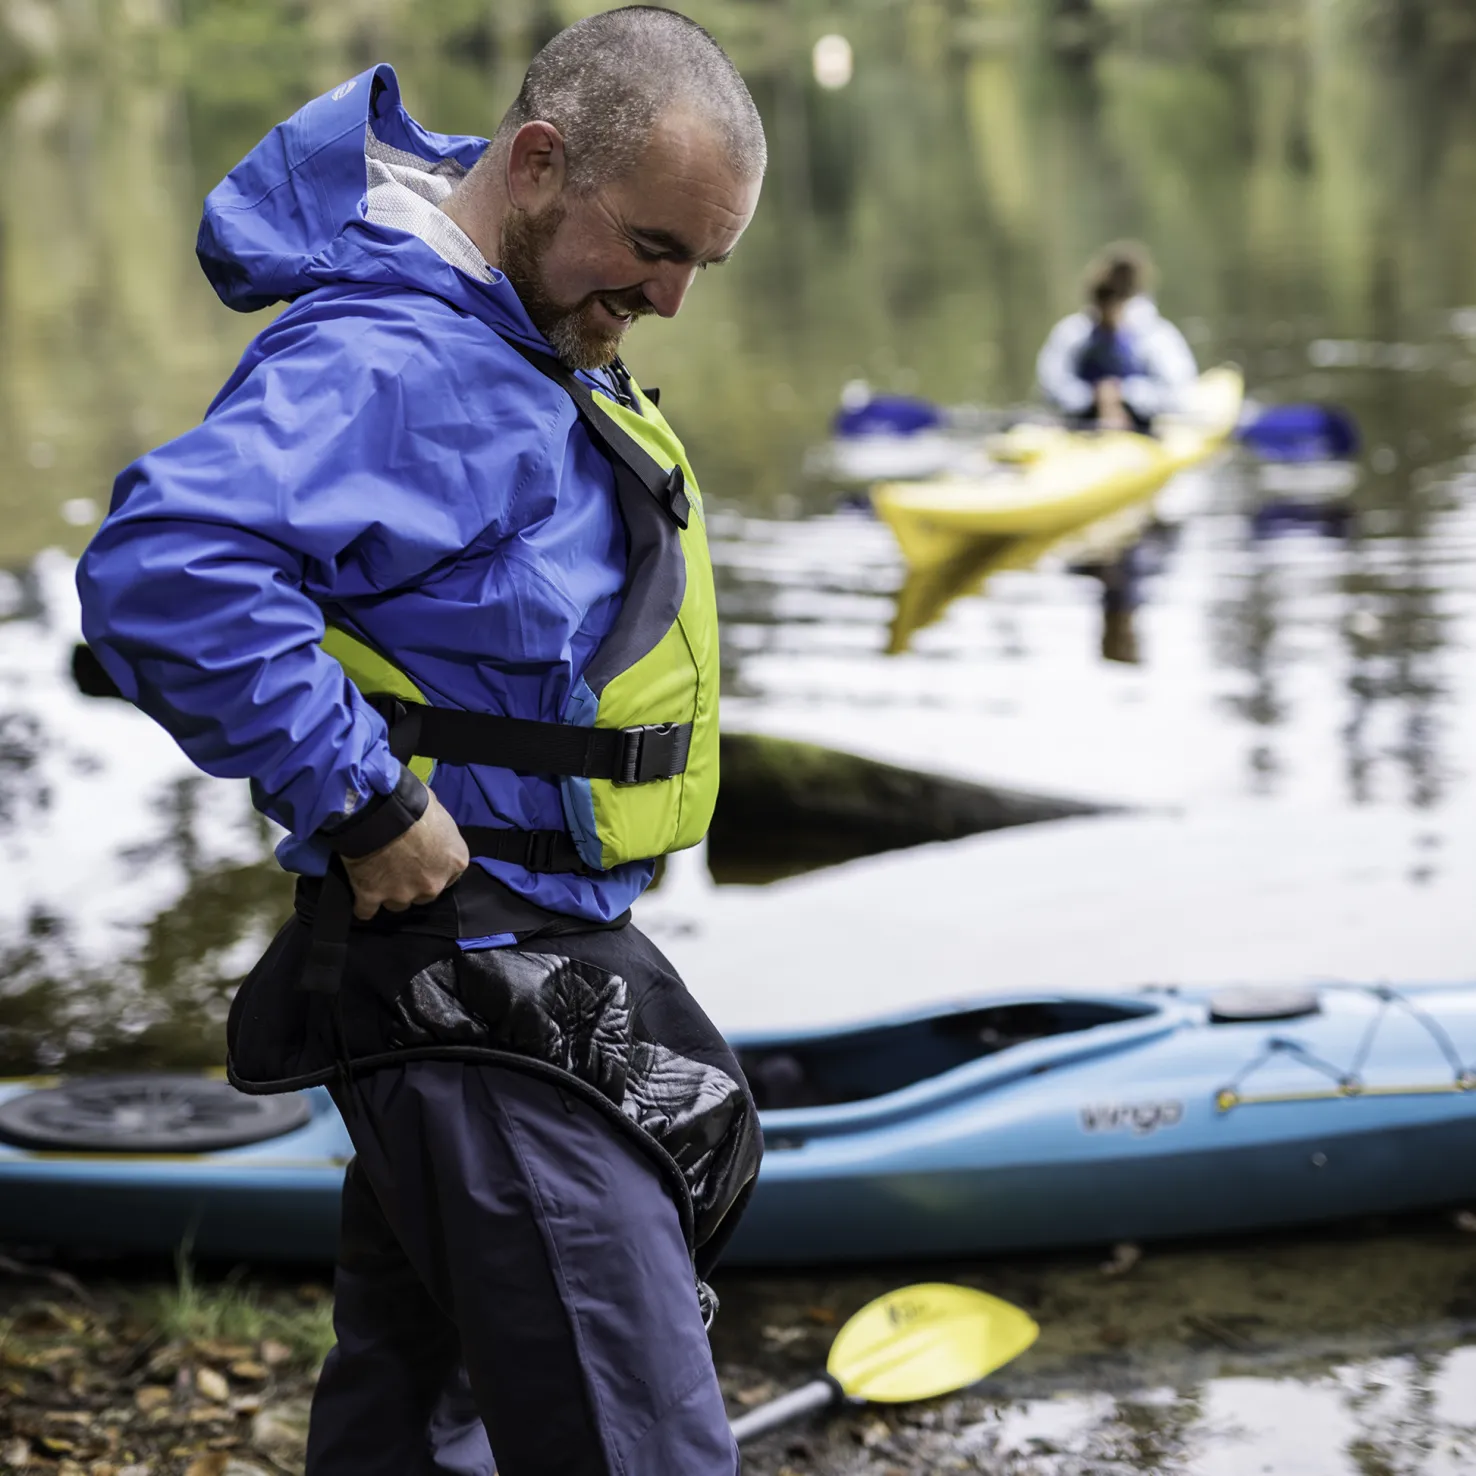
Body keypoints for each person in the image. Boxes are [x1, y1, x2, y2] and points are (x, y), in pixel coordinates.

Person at [76, 10, 767, 1474]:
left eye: (701, 262)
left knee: (414, 1414)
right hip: (474, 980)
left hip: (494, 970)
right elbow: (163, 570)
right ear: (532, 165)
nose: (670, 295)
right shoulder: (401, 361)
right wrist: (363, 796)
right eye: (653, 246)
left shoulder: (503, 297)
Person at [1036, 242, 1198, 431]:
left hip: (1142, 424)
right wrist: (1096, 396)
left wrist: (1122, 393)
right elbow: (1050, 385)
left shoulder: (1155, 336)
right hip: (1082, 421)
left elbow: (1179, 394)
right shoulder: (1071, 333)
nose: (1108, 312)